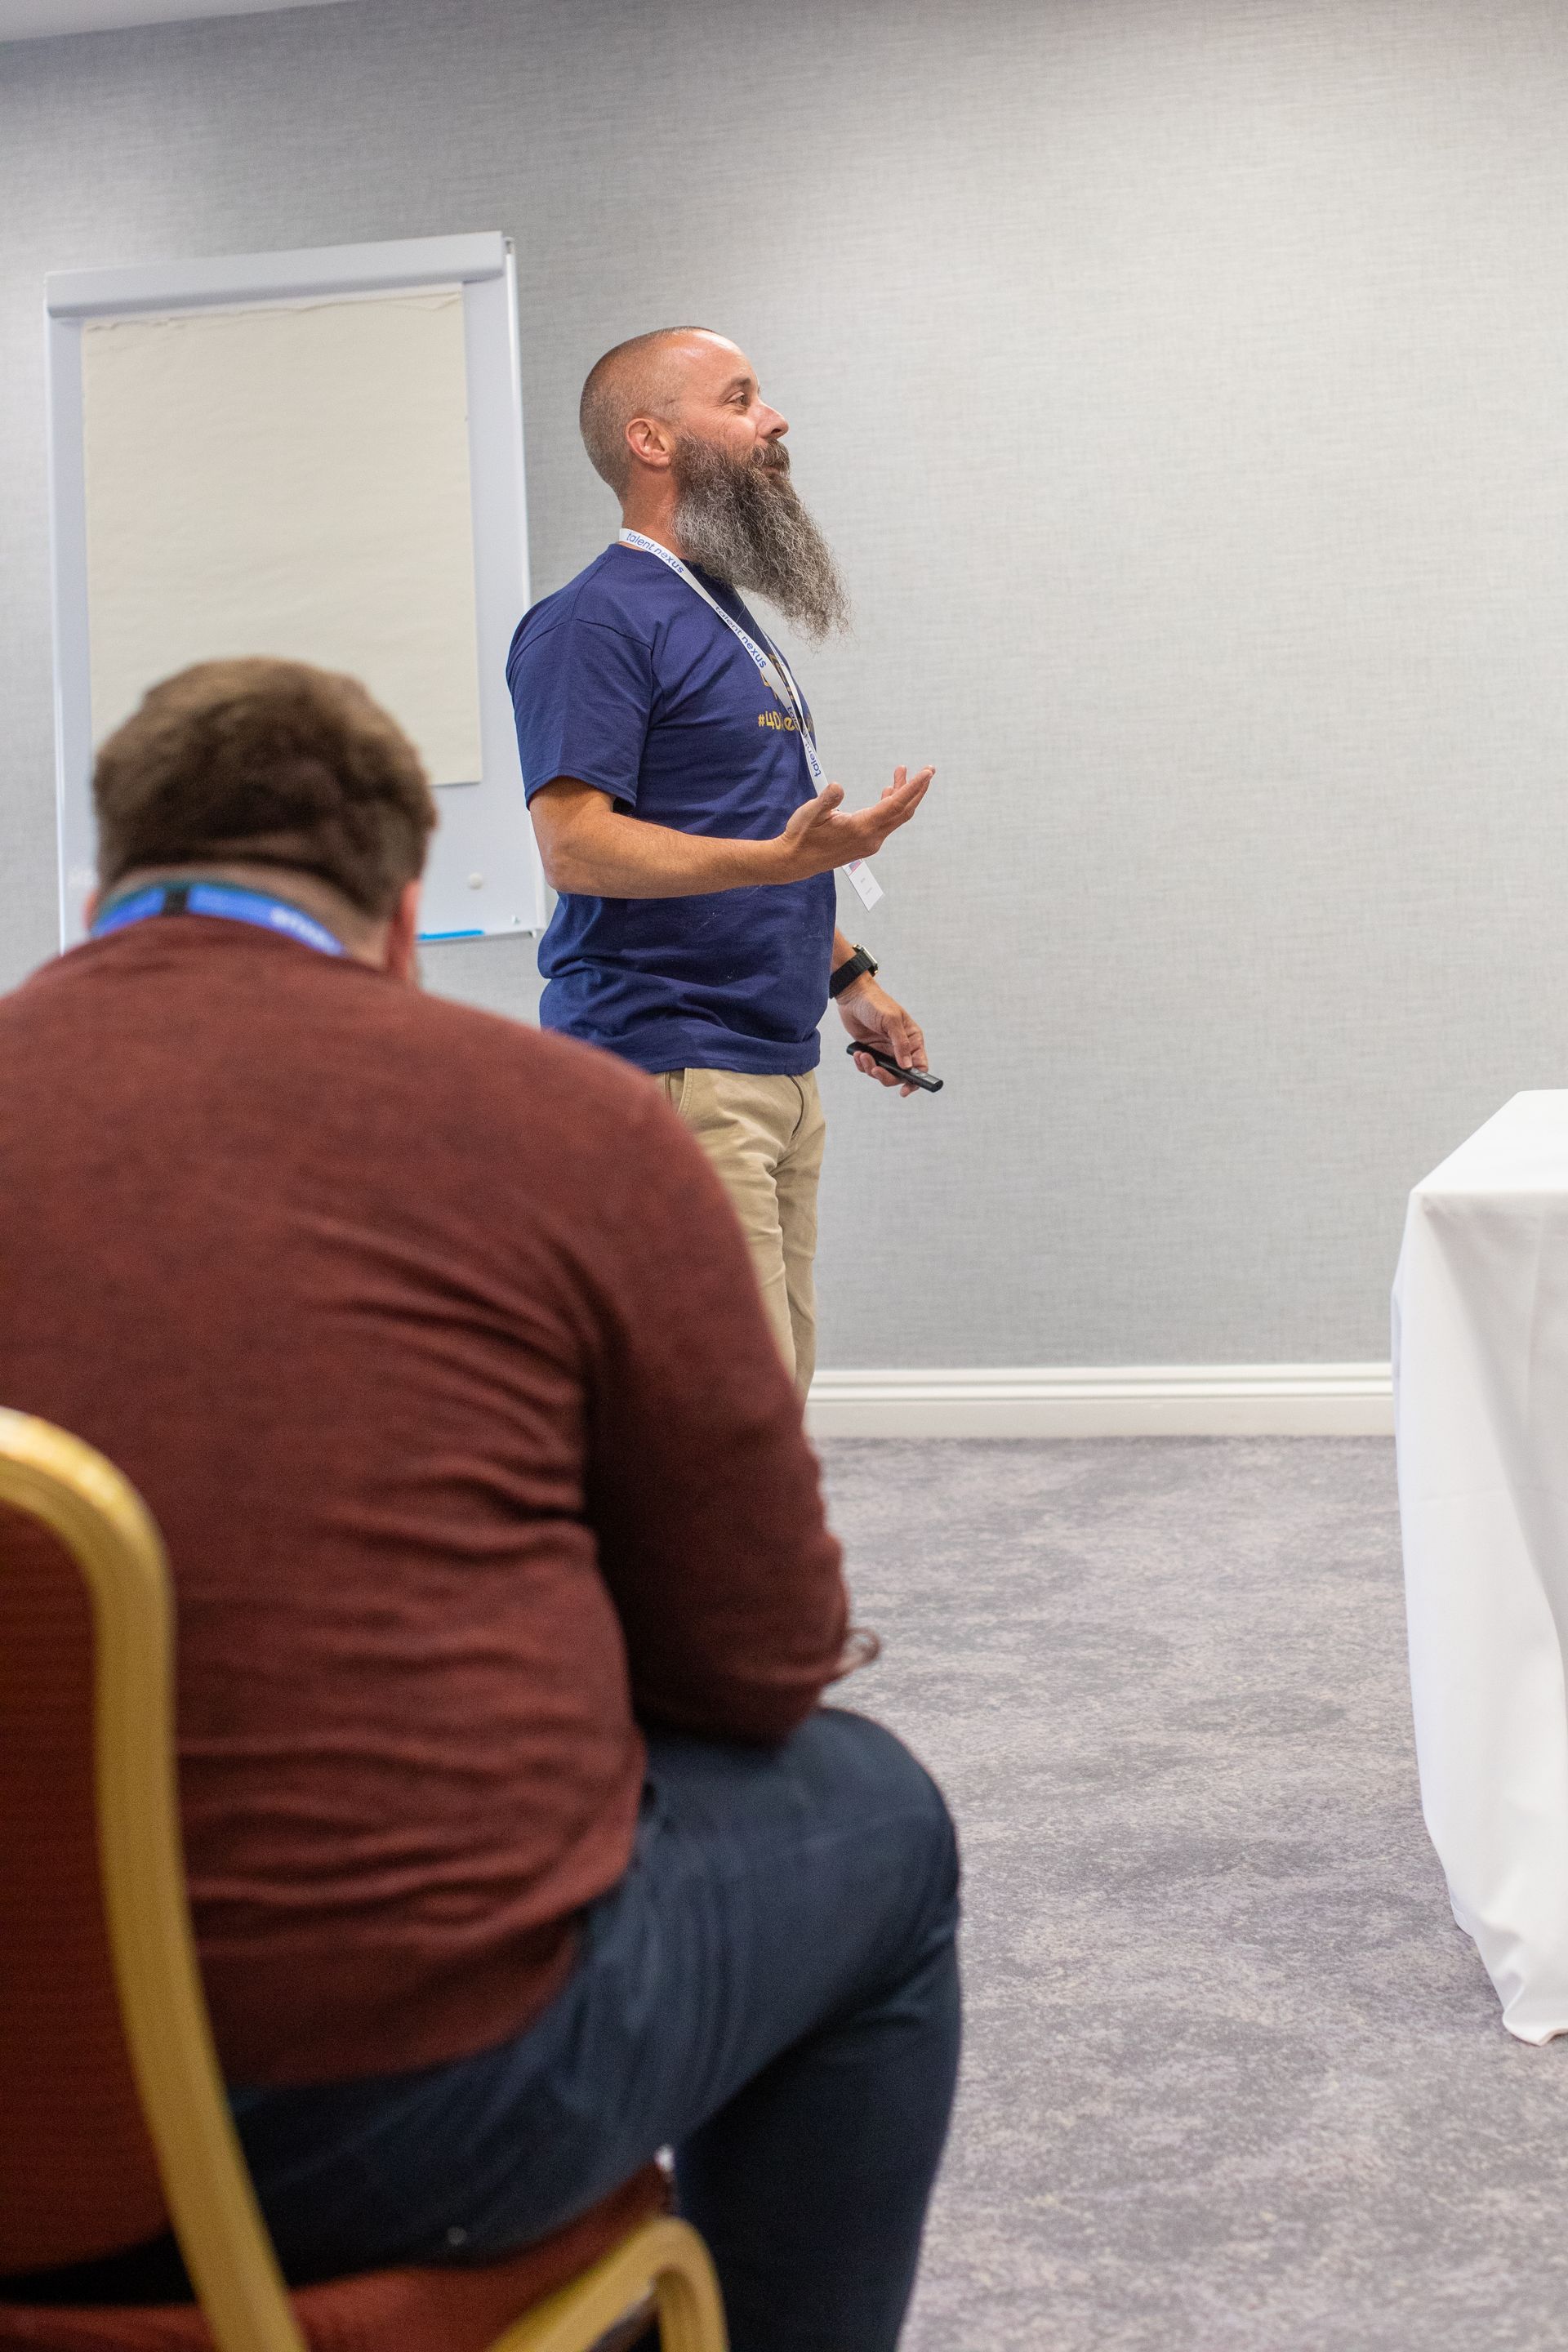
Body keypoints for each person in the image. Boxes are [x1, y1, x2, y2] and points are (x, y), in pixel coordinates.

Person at [0, 660, 960, 2352]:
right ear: (400, 918)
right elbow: (759, 1664)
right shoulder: (568, 1125)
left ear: (97, 904)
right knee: (869, 1820)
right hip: (375, 2119)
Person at [508, 326, 934, 1394]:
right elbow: (575, 844)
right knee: (720, 1417)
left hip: (771, 1063)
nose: (775, 419)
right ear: (651, 440)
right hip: (668, 1062)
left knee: (770, 1398)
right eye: (741, 399)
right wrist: (775, 861)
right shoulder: (593, 621)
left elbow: (761, 834)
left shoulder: (718, 611)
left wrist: (849, 977)